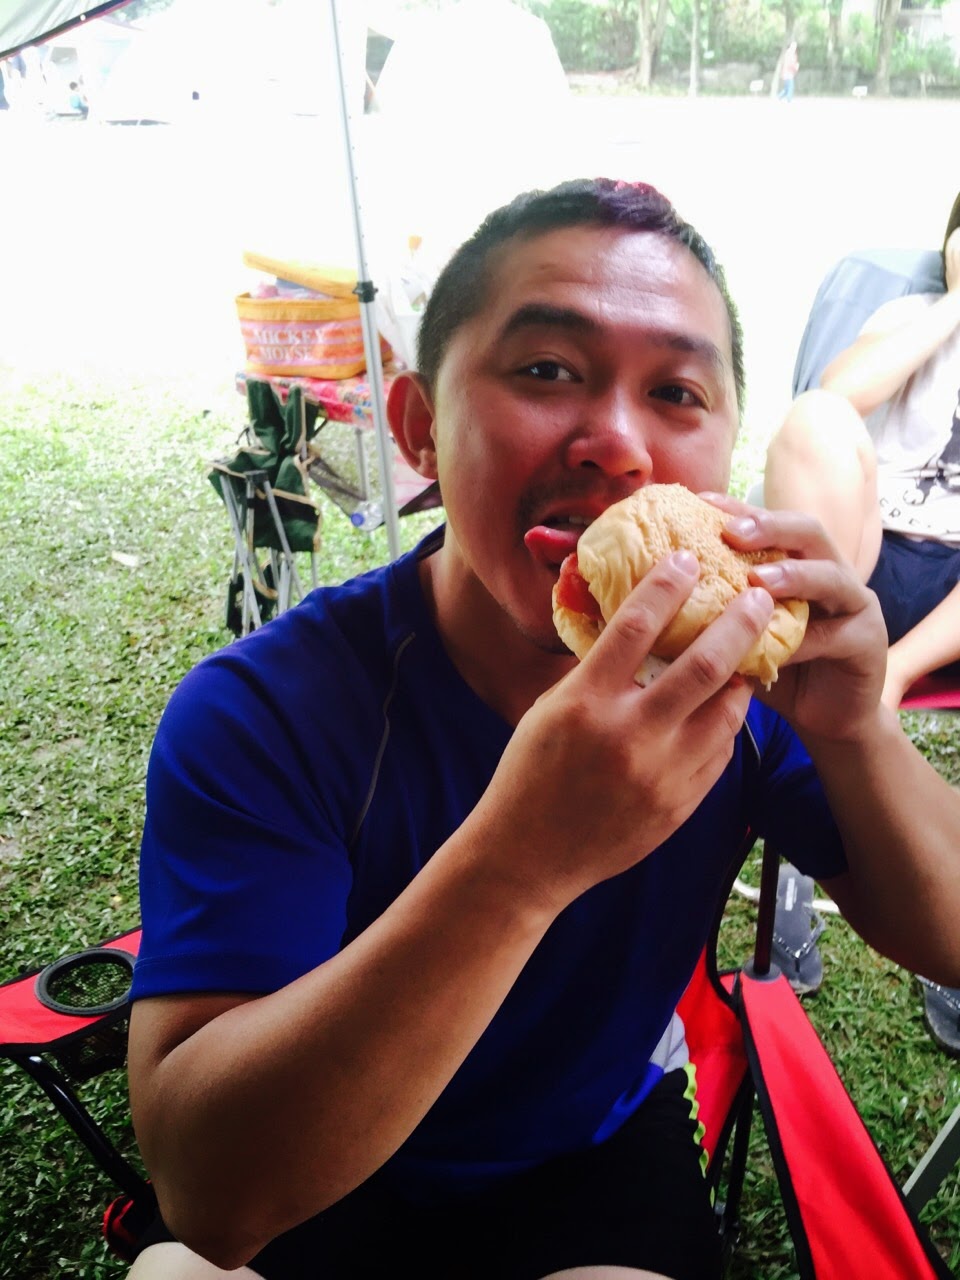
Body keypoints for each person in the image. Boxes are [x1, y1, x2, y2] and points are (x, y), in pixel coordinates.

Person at [125, 178, 960, 1280]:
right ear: (421, 427)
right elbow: (211, 1191)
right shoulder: (271, 710)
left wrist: (858, 734)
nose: (616, 443)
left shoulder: (740, 691)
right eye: (547, 371)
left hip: (588, 1154)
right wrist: (523, 861)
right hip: (317, 1158)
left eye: (676, 391)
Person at [765, 191, 960, 712]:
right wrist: (956, 302)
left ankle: (891, 673)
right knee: (813, 417)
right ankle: (822, 648)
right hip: (866, 555)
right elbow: (839, 392)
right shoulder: (915, 314)